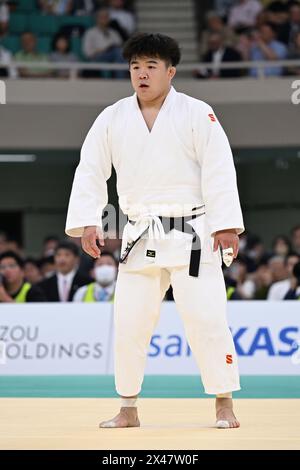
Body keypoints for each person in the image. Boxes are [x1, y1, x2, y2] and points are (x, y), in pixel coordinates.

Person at [65, 33, 244, 429]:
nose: (141, 74)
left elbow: (219, 168)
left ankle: (223, 402)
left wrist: (227, 225)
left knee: (208, 320)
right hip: (140, 235)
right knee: (129, 324)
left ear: (170, 71)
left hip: (193, 235)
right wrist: (89, 222)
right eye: (135, 67)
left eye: (150, 66)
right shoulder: (112, 117)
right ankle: (128, 407)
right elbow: (91, 169)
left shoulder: (197, 113)